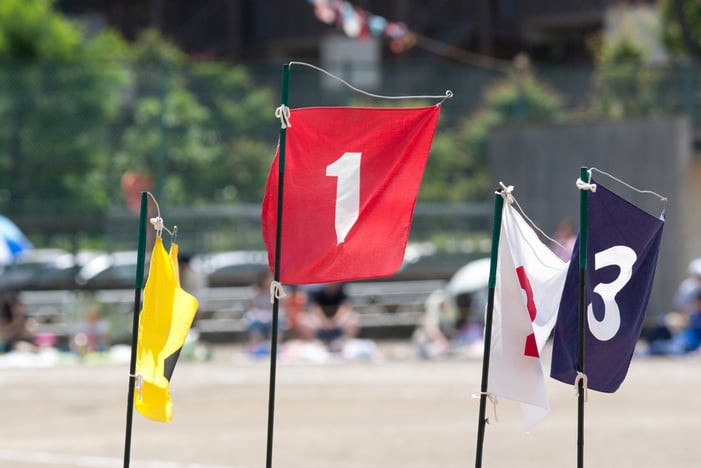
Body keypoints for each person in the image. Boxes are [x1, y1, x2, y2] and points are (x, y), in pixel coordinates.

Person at [306, 282, 359, 351]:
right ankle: (314, 343)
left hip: (338, 322)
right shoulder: (319, 293)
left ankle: (344, 343)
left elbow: (345, 308)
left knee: (353, 320)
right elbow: (315, 309)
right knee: (305, 321)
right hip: (321, 322)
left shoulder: (341, 294)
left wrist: (335, 320)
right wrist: (324, 321)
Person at [243, 268, 283, 356]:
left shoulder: (276, 291)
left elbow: (280, 307)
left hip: (272, 317)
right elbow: (252, 309)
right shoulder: (254, 291)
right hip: (257, 318)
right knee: (255, 322)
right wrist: (261, 315)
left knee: (278, 321)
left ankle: (276, 346)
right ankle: (255, 345)